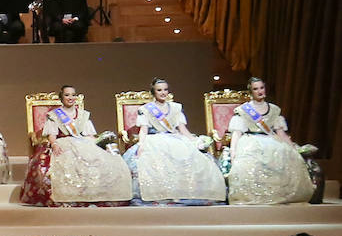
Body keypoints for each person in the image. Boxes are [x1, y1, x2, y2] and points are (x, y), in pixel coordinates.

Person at [19, 85, 132, 205]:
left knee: (101, 159)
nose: (70, 97)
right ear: (61, 98)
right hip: (63, 142)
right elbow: (52, 134)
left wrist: (98, 144)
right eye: (67, 95)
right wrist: (54, 144)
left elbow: (89, 135)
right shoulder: (54, 115)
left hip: (82, 142)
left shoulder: (83, 115)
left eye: (73, 95)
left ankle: (93, 194)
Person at [123, 78, 226, 204]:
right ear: (153, 92)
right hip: (154, 140)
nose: (163, 93)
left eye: (165, 90)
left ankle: (183, 194)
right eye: (159, 90)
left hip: (175, 138)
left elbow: (182, 129)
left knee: (192, 158)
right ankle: (161, 194)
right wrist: (141, 146)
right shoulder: (146, 109)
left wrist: (195, 140)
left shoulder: (176, 108)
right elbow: (143, 130)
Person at [225, 77, 316, 205]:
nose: (260, 91)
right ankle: (254, 195)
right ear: (251, 91)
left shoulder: (274, 110)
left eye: (261, 88)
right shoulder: (243, 110)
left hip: (272, 140)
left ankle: (280, 194)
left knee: (284, 154)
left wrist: (293, 148)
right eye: (256, 89)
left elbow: (281, 133)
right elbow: (237, 133)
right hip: (251, 141)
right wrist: (233, 151)